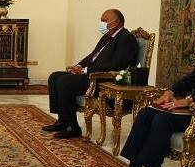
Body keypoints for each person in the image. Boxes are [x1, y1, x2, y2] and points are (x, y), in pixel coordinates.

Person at [106, 12, 195, 167]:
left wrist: (189, 100)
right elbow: (192, 79)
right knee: (146, 113)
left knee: (162, 120)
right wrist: (171, 92)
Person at [43, 9, 139, 139]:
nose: (102, 24)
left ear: (116, 22)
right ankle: (63, 121)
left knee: (65, 82)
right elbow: (92, 56)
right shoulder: (106, 37)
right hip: (92, 74)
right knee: (54, 77)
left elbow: (117, 65)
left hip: (105, 80)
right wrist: (79, 66)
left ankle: (73, 127)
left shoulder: (126, 38)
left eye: (104, 20)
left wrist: (86, 70)